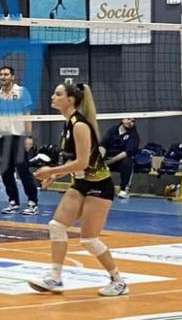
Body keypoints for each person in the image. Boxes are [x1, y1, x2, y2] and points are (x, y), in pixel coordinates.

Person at [28, 82, 128, 297]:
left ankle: (118, 281)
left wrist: (50, 170)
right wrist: (55, 175)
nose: (53, 97)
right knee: (56, 226)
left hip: (99, 185)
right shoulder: (68, 123)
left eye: (58, 94)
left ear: (70, 100)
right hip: (81, 183)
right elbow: (75, 161)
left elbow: (82, 162)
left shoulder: (79, 125)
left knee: (89, 240)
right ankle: (55, 277)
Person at [0, 65, 39, 216]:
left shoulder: (21, 92)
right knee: (6, 172)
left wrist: (29, 136)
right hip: (4, 138)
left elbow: (27, 115)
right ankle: (13, 201)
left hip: (19, 137)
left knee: (23, 170)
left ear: (12, 77)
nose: (3, 77)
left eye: (6, 74)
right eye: (1, 74)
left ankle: (32, 202)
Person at [100, 118, 140, 200]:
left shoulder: (134, 135)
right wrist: (100, 158)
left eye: (133, 121)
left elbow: (127, 152)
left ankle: (124, 189)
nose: (130, 122)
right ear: (123, 119)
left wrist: (110, 161)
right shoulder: (113, 130)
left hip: (119, 160)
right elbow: (103, 145)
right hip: (107, 157)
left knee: (128, 161)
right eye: (128, 119)